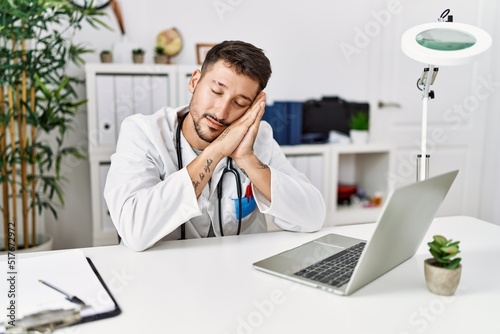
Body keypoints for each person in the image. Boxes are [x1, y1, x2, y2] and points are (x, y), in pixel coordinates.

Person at [104, 40, 326, 251]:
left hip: (240, 276)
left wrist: (247, 159)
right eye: (216, 91)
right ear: (194, 81)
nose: (221, 112)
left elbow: (313, 216)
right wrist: (217, 150)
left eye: (239, 103)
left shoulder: (260, 138)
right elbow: (133, 229)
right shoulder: (143, 132)